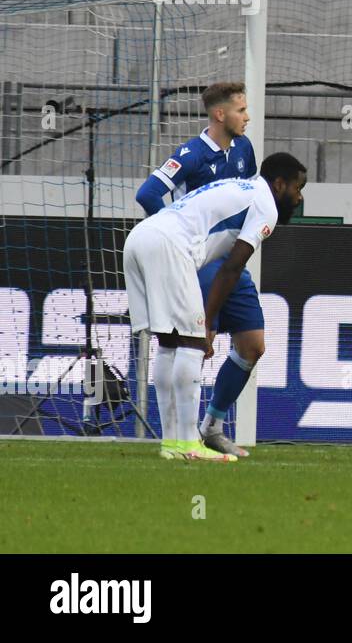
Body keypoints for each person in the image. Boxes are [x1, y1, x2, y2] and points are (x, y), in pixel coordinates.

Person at [125, 153, 306, 461]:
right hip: (170, 245)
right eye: (298, 188)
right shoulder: (265, 204)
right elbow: (232, 268)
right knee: (192, 343)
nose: (300, 197)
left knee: (170, 343)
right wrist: (207, 322)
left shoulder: (240, 187)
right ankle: (189, 444)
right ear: (279, 184)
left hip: (140, 238)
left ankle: (172, 444)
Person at [134, 81, 262, 457]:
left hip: (232, 258)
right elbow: (147, 193)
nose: (247, 116)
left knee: (253, 345)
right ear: (220, 114)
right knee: (188, 342)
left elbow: (248, 193)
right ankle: (179, 438)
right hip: (200, 260)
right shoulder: (190, 155)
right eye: (241, 110)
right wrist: (175, 235)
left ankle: (212, 425)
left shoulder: (243, 149)